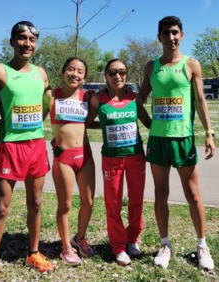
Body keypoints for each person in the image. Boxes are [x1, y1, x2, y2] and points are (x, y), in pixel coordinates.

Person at [0, 21, 54, 282]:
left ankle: (33, 253)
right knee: (2, 208)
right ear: (11, 41)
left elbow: (47, 102)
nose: (27, 44)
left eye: (32, 40)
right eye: (21, 38)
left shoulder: (41, 74)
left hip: (36, 147)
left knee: (37, 203)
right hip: (10, 147)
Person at [139, 16, 216, 270]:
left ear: (182, 35)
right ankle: (164, 244)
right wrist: (150, 123)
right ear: (158, 37)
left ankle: (202, 245)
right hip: (158, 140)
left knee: (193, 194)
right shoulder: (151, 67)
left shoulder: (191, 65)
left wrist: (209, 133)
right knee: (161, 193)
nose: (170, 37)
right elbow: (139, 99)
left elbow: (201, 100)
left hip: (183, 138)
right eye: (165, 33)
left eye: (174, 32)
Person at [86, 59, 151, 266]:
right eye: (112, 72)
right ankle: (118, 246)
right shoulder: (99, 100)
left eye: (122, 72)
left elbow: (148, 123)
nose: (117, 76)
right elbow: (87, 123)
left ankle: (133, 239)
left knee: (136, 200)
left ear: (126, 74)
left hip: (135, 157)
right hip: (111, 159)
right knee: (113, 203)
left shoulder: (134, 98)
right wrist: (105, 125)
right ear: (105, 76)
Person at [42, 57, 95, 266]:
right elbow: (38, 120)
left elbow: (95, 121)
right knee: (65, 204)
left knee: (88, 202)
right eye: (71, 69)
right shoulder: (51, 96)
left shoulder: (88, 97)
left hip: (85, 155)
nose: (75, 74)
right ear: (63, 72)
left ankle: (79, 237)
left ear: (84, 77)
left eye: (80, 71)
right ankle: (66, 247)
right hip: (63, 157)